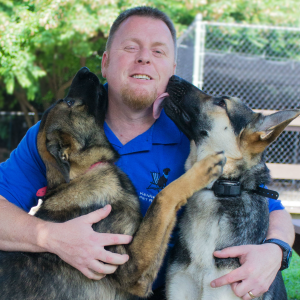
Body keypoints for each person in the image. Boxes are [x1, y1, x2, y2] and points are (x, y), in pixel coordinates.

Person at [0, 6, 295, 300]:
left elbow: (273, 212)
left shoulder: (196, 140)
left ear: (172, 71)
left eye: (158, 51)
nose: (144, 58)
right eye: (131, 47)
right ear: (105, 63)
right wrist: (51, 238)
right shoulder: (62, 133)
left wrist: (275, 251)